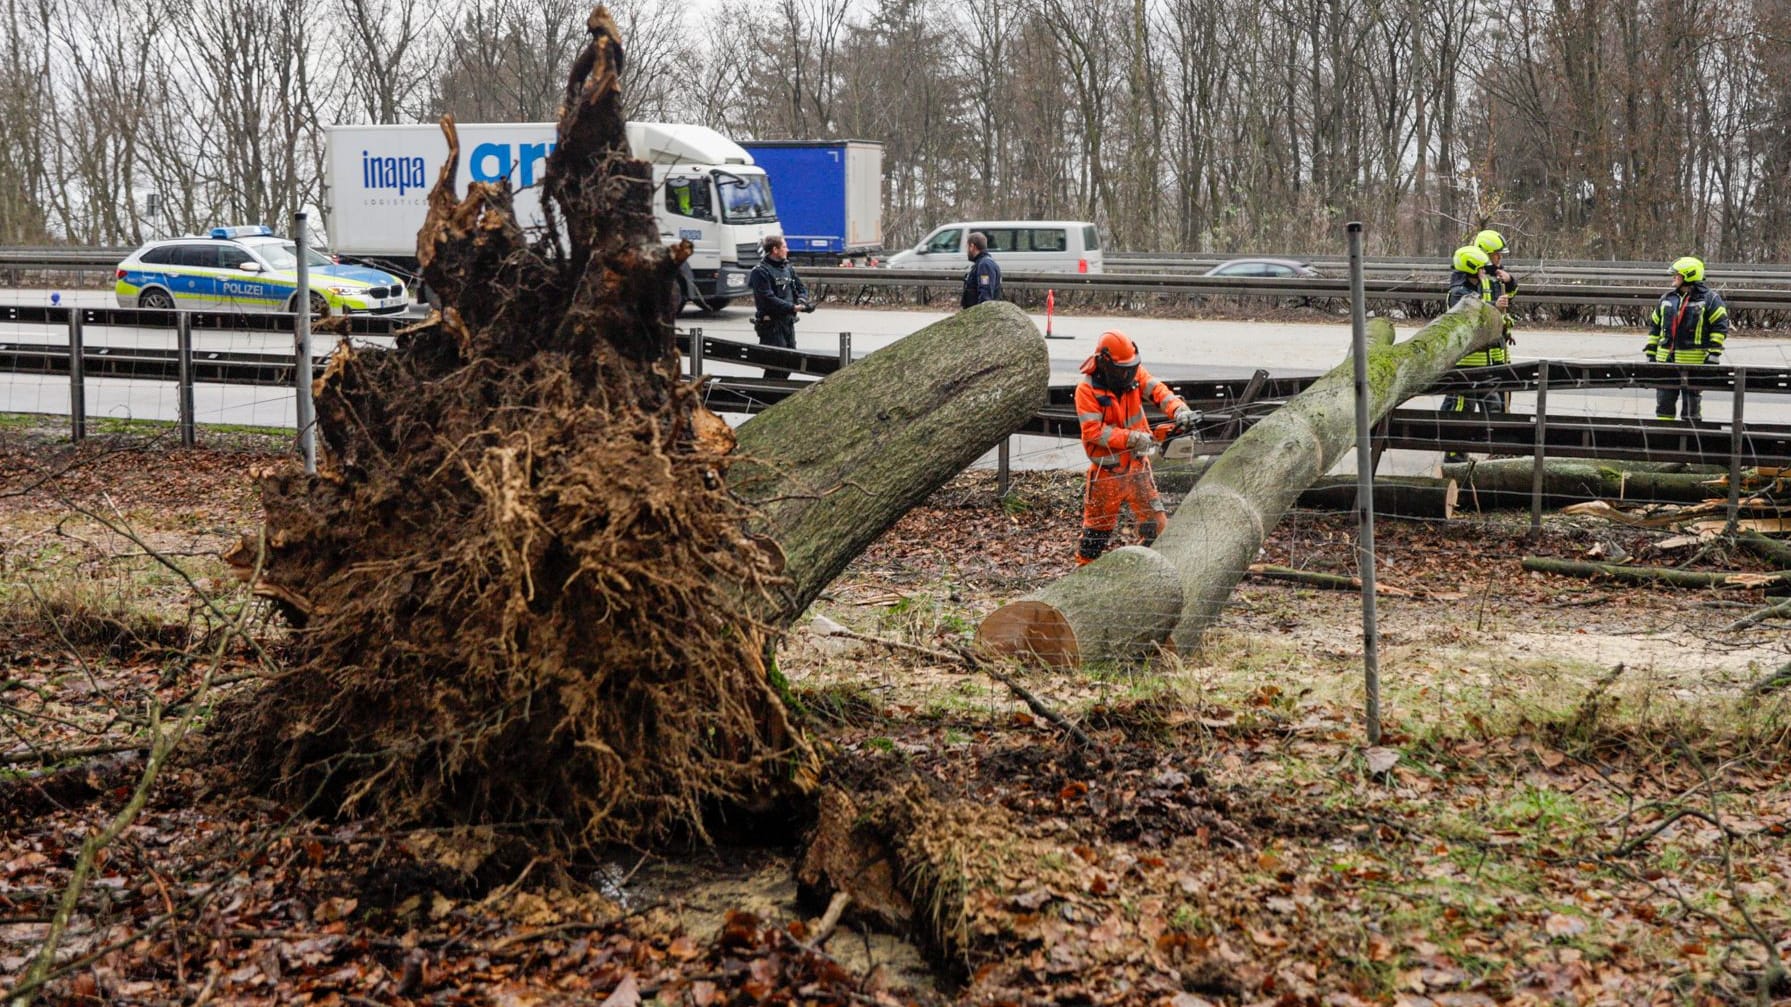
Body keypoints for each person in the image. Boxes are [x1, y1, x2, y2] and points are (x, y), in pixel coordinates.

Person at [1074, 331, 1197, 565]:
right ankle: (1081, 576)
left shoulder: (1135, 374)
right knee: (1096, 534)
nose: (1128, 374)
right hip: (1106, 473)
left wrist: (1179, 410)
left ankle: (1147, 569)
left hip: (1138, 468)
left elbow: (1158, 391)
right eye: (1123, 370)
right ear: (1106, 363)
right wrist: (1132, 438)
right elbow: (1093, 431)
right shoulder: (1087, 390)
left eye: (1130, 368)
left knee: (1156, 527)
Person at [1440, 241, 1515, 461]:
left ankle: (1496, 452)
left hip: (1484, 366)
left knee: (1494, 406)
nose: (1485, 272)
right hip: (1466, 367)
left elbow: (1488, 310)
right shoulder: (1459, 293)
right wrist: (1494, 307)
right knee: (1461, 410)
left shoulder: (1477, 288)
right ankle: (1455, 457)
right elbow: (1474, 318)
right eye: (1481, 268)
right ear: (1471, 268)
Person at [1645, 256, 1729, 421]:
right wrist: (1651, 352)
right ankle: (1664, 437)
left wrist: (1713, 354)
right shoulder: (1666, 299)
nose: (1673, 278)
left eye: (1677, 274)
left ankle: (1690, 439)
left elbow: (1720, 327)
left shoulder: (1710, 300)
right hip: (1666, 363)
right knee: (1664, 404)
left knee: (1691, 407)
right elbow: (1655, 327)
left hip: (1694, 364)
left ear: (1689, 276)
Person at [748, 234, 813, 380]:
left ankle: (771, 398)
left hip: (788, 323)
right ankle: (764, 398)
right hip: (771, 326)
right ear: (775, 250)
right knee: (776, 365)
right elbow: (768, 299)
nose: (787, 249)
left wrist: (803, 301)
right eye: (784, 246)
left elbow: (800, 288)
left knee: (790, 364)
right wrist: (793, 308)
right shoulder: (760, 271)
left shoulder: (788, 268)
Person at [961, 231, 1002, 308]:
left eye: (967, 247)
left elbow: (985, 294)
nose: (966, 251)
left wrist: (980, 315)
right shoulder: (981, 263)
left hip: (979, 314)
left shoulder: (985, 265)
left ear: (972, 246)